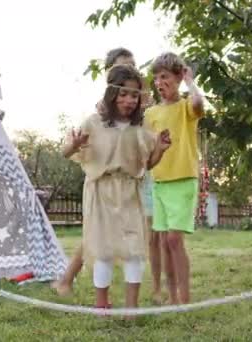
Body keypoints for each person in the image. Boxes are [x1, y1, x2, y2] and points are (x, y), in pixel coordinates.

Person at [52, 47, 162, 301]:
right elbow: (66, 151)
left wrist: (162, 150)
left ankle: (131, 307)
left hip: (130, 191)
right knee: (101, 248)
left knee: (134, 248)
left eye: (135, 94)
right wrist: (74, 145)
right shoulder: (94, 121)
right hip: (101, 192)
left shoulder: (140, 126)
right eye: (123, 92)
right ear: (111, 88)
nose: (130, 99)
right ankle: (100, 302)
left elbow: (149, 161)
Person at [145, 52, 205, 304]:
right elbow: (148, 151)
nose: (160, 82)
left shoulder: (185, 107)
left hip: (183, 180)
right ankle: (172, 296)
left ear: (179, 77)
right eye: (157, 78)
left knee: (173, 239)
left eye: (165, 76)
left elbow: (199, 104)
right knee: (163, 241)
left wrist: (191, 83)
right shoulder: (151, 114)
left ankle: (185, 296)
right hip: (159, 182)